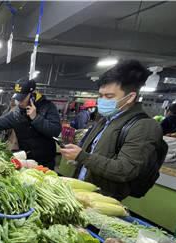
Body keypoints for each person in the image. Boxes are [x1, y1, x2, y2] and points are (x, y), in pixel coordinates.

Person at [60, 60, 166, 200]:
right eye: (101, 95)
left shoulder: (144, 127)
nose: (102, 101)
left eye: (109, 96)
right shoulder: (106, 120)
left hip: (102, 200)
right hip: (81, 192)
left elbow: (125, 170)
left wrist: (82, 157)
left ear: (130, 97)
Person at [0, 77, 61, 168]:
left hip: (46, 162)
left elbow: (55, 131)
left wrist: (35, 118)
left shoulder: (48, 106)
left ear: (32, 95)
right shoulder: (17, 114)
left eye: (22, 99)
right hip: (27, 161)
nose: (19, 102)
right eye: (18, 99)